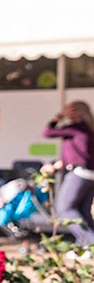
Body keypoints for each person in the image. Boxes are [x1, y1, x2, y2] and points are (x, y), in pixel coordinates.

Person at [44, 100, 94, 245]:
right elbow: (79, 153)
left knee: (65, 209)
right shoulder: (88, 130)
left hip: (80, 173)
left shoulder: (76, 128)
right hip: (89, 174)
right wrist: (61, 164)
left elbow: (48, 132)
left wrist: (58, 116)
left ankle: (90, 243)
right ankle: (83, 246)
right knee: (82, 211)